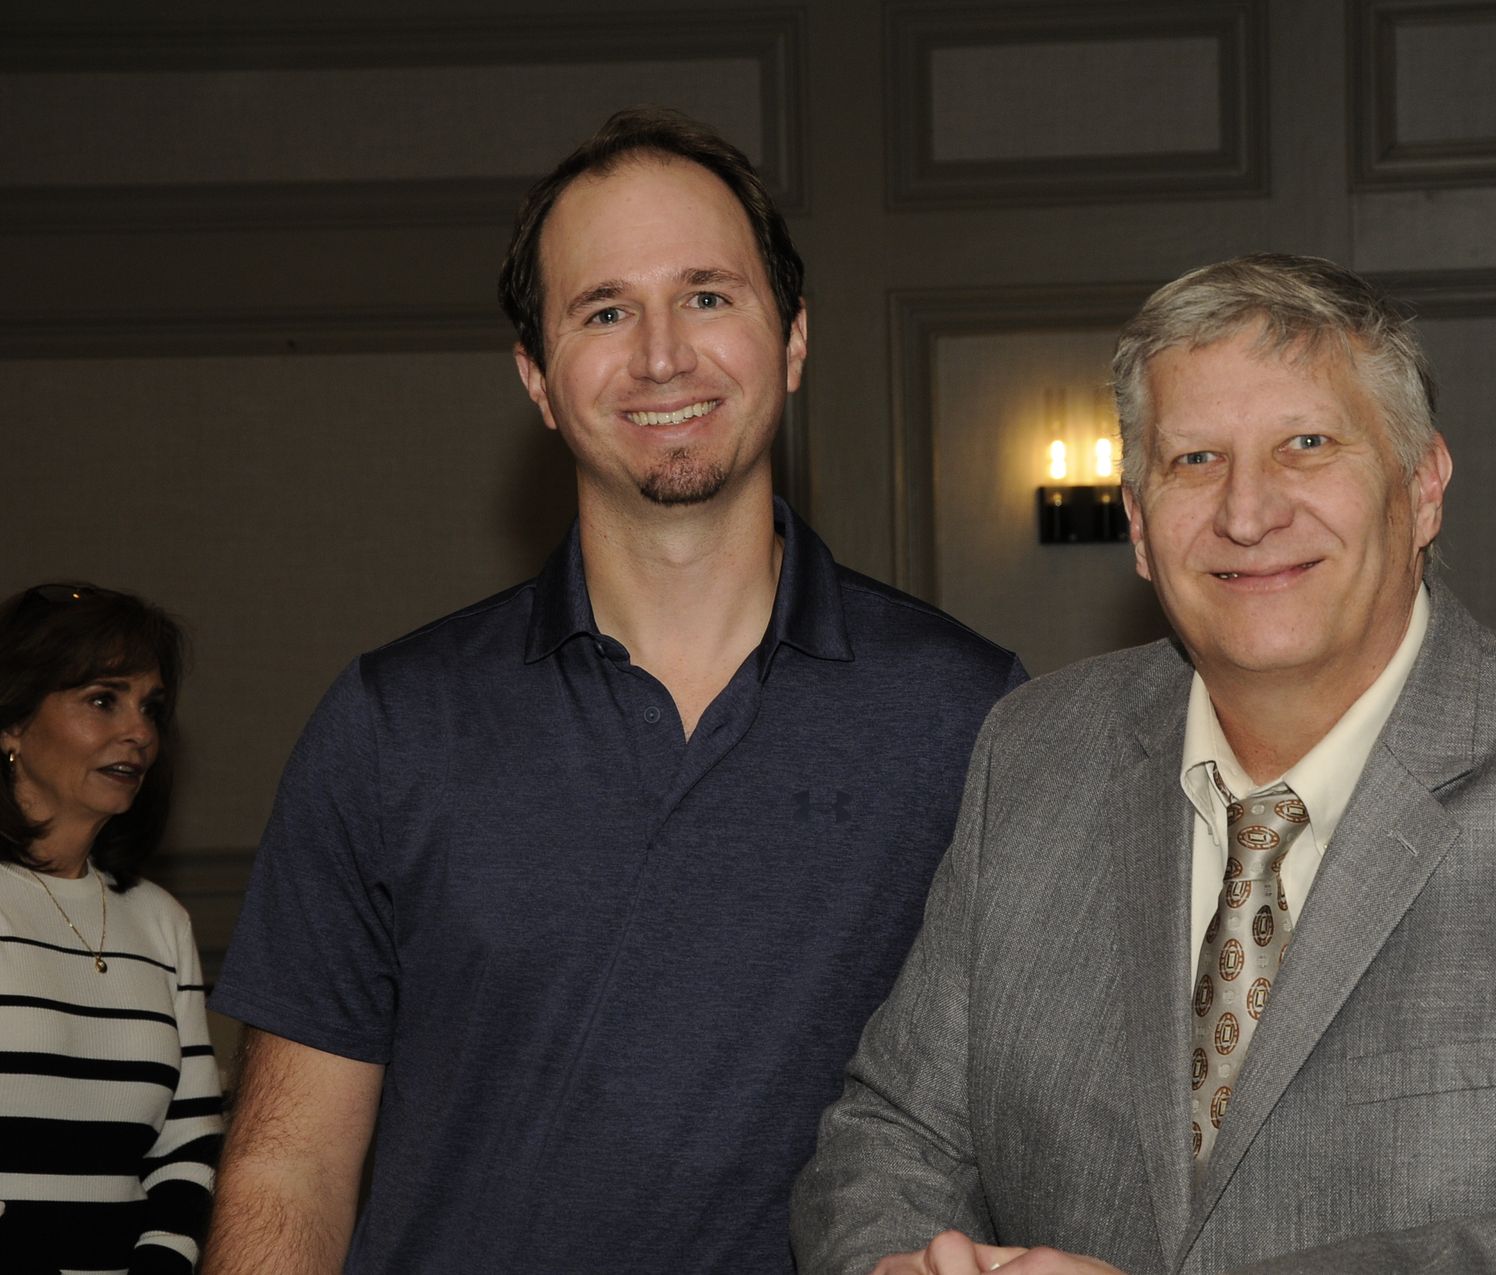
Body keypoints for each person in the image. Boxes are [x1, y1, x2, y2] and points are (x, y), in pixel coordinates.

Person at [791, 254, 1496, 1274]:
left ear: (1423, 487)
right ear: (1138, 527)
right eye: (1193, 461)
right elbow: (894, 1136)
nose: (1246, 512)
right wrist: (899, 1263)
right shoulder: (1033, 751)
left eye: (1307, 445)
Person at [201, 107, 1024, 1274]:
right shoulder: (394, 723)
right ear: (538, 377)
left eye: (707, 295)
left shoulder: (972, 714)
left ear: (792, 339)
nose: (661, 356)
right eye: (604, 310)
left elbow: (1027, 1129)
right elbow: (291, 1164)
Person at [0, 582, 224, 1274]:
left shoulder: (159, 919)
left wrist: (161, 1262)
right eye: (104, 699)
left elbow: (190, 1144)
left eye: (150, 707)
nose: (139, 731)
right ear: (11, 723)